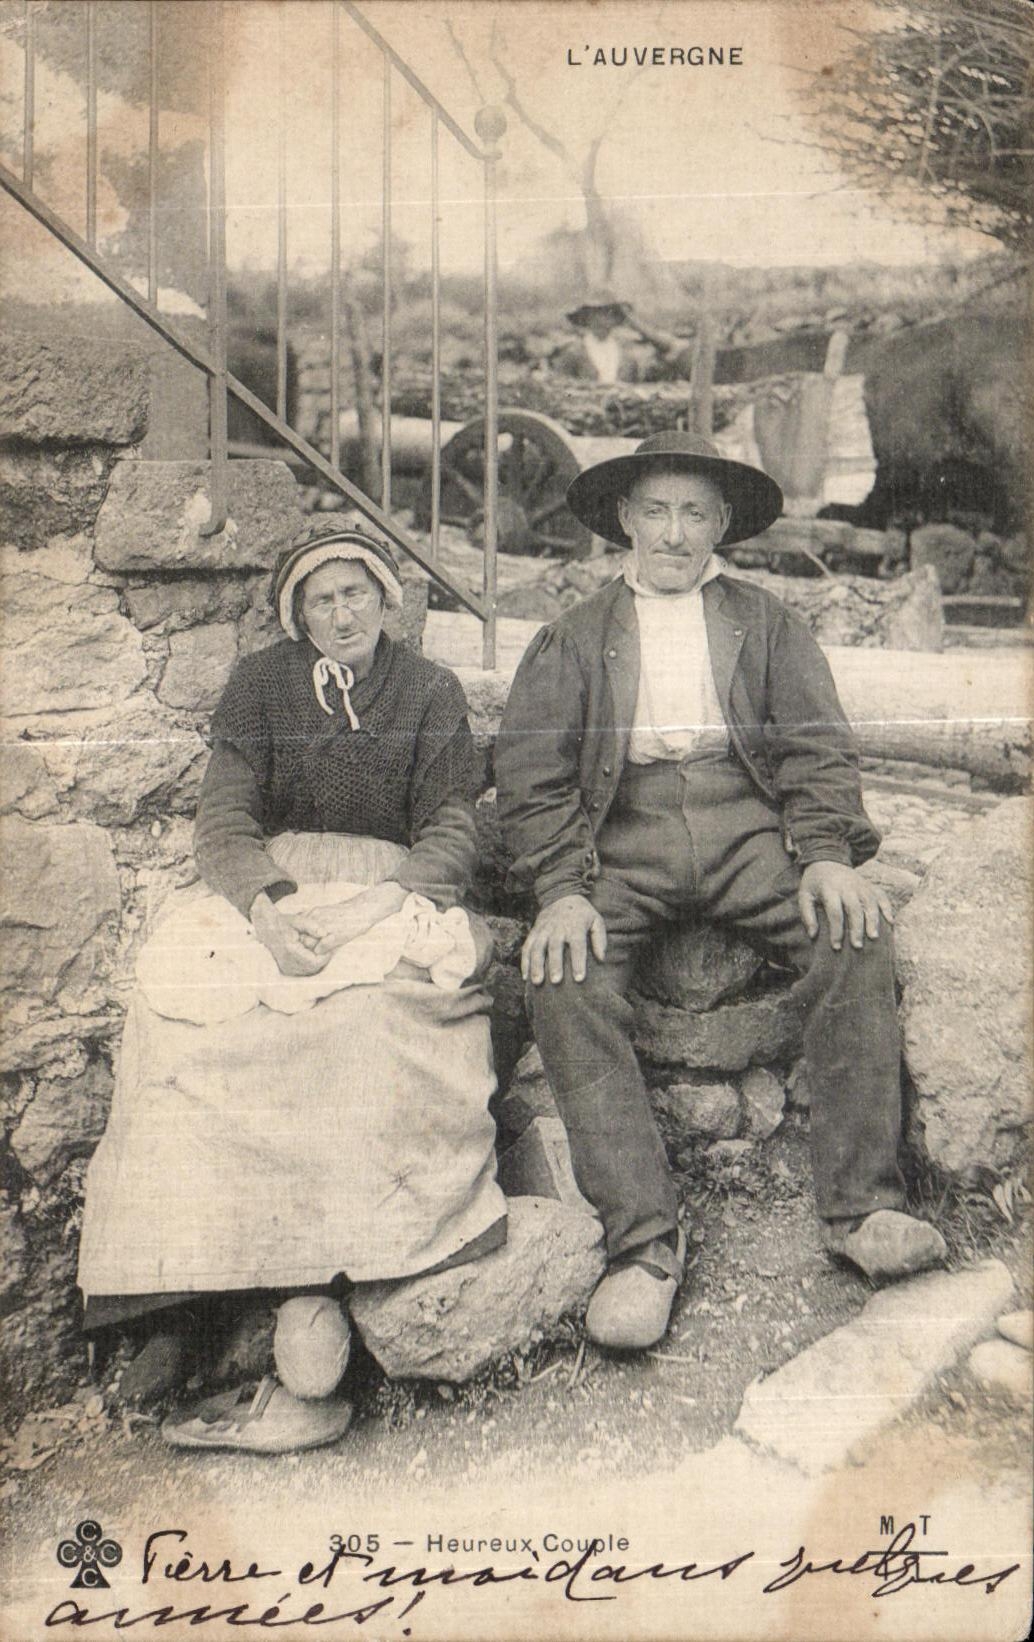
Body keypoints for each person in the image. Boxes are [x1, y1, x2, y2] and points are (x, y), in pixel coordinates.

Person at [494, 431, 946, 1353]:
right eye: (655, 511)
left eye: (693, 513)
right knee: (562, 977)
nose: (673, 533)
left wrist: (823, 852)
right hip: (623, 835)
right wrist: (561, 890)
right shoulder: (575, 636)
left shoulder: (767, 623)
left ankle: (860, 1209)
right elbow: (533, 779)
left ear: (721, 524)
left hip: (748, 826)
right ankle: (645, 1246)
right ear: (624, 518)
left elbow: (818, 747)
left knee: (854, 930)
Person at [78, 519, 506, 1451]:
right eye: (321, 599)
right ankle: (175, 1299)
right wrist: (267, 912)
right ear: (296, 614)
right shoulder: (260, 686)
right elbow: (224, 821)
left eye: (355, 593)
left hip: (389, 891)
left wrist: (371, 908)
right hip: (273, 894)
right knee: (183, 1027)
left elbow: (451, 833)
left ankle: (329, 1285)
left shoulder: (428, 692)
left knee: (368, 1024)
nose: (340, 612)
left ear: (386, 601)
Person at [551, 291, 641, 384]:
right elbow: (560, 385)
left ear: (615, 319)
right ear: (587, 319)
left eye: (607, 315)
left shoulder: (628, 353)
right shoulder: (573, 352)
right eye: (595, 316)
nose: (602, 321)